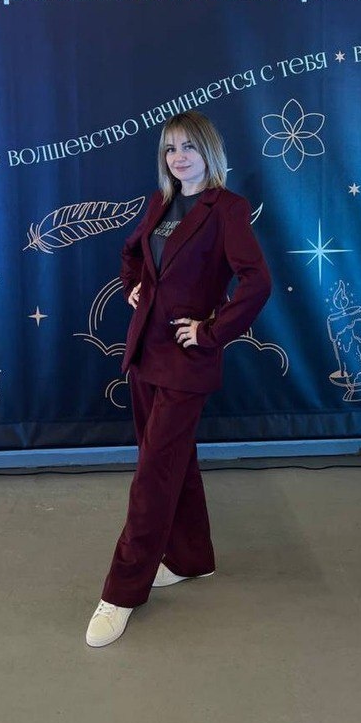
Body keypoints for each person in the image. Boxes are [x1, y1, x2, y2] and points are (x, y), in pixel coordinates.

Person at [86, 111, 272, 647]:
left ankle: (122, 592)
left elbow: (257, 282)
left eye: (189, 146)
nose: (179, 157)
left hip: (186, 363)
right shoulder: (159, 202)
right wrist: (133, 285)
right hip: (145, 354)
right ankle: (192, 558)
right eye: (170, 148)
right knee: (173, 461)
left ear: (208, 151)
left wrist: (212, 331)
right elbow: (133, 254)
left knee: (152, 476)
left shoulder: (227, 208)